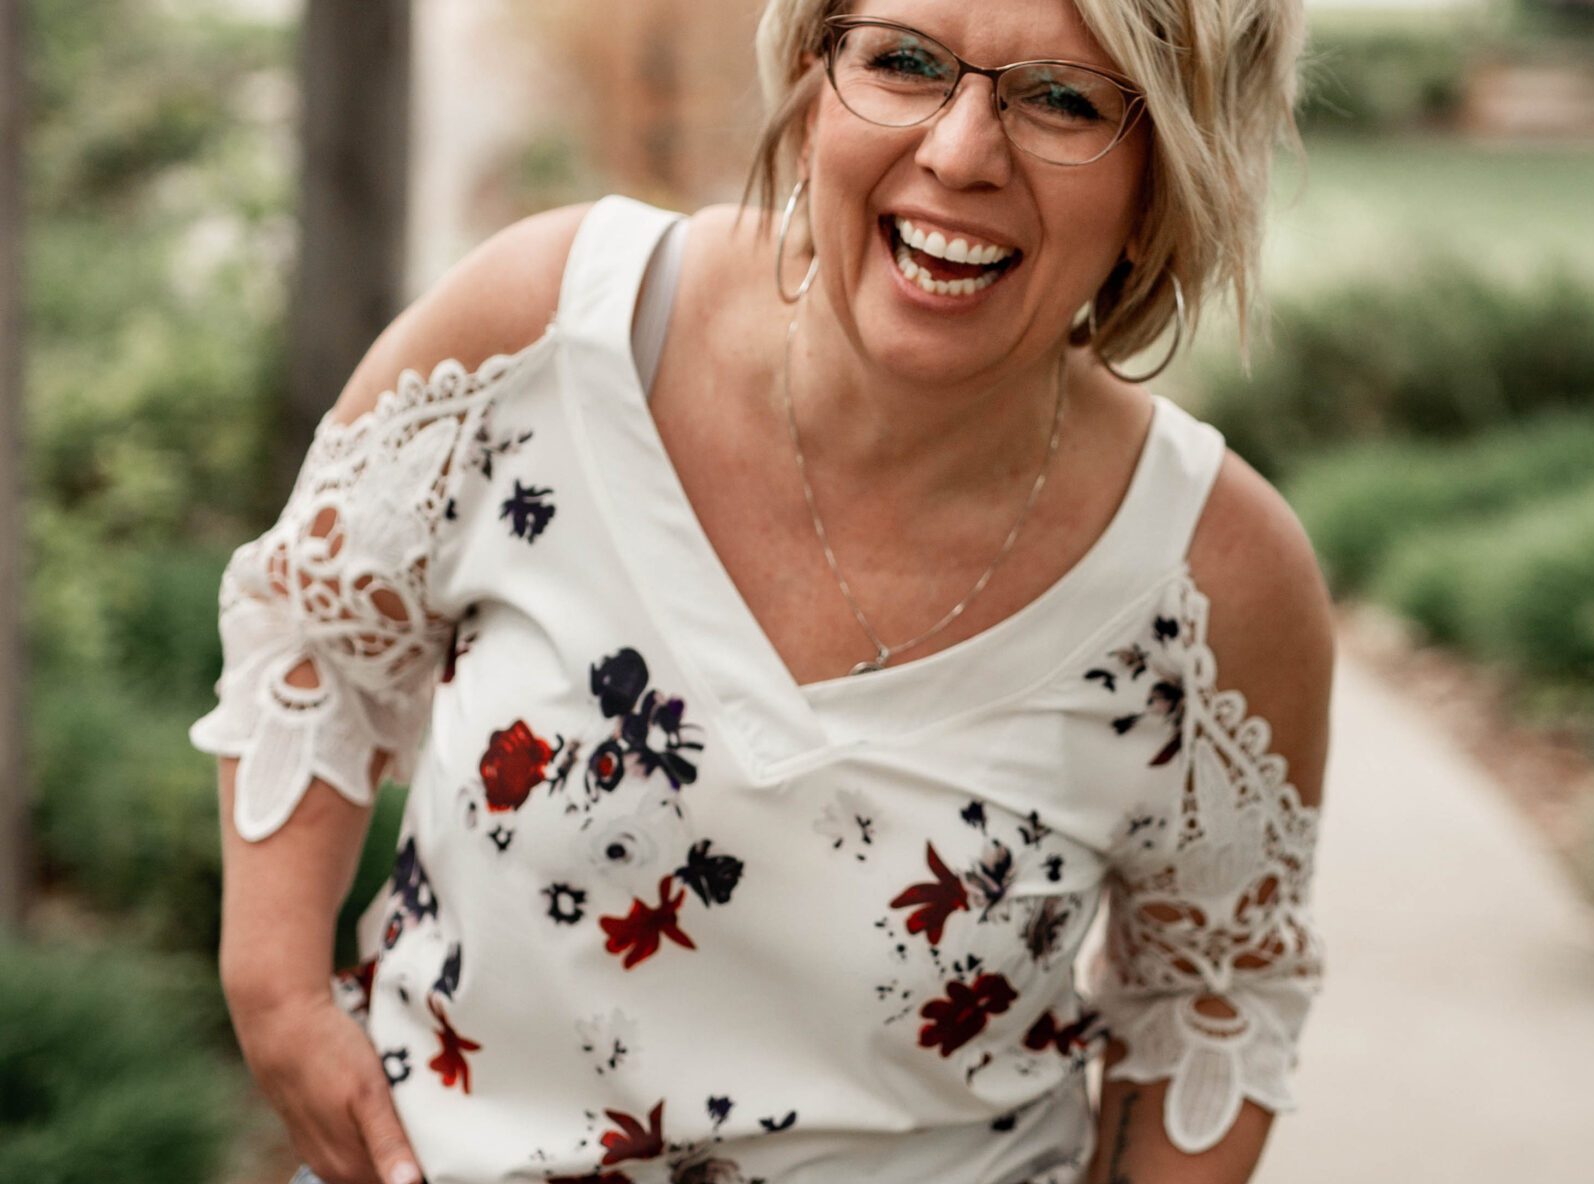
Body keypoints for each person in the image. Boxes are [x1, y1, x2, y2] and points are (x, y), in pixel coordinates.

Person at [190, 0, 1331, 1181]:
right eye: (903, 60)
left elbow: (1211, 997)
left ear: (1167, 180)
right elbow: (312, 632)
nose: (958, 155)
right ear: (810, 75)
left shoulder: (1209, 576)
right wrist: (277, 991)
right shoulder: (553, 338)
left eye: (1063, 101)